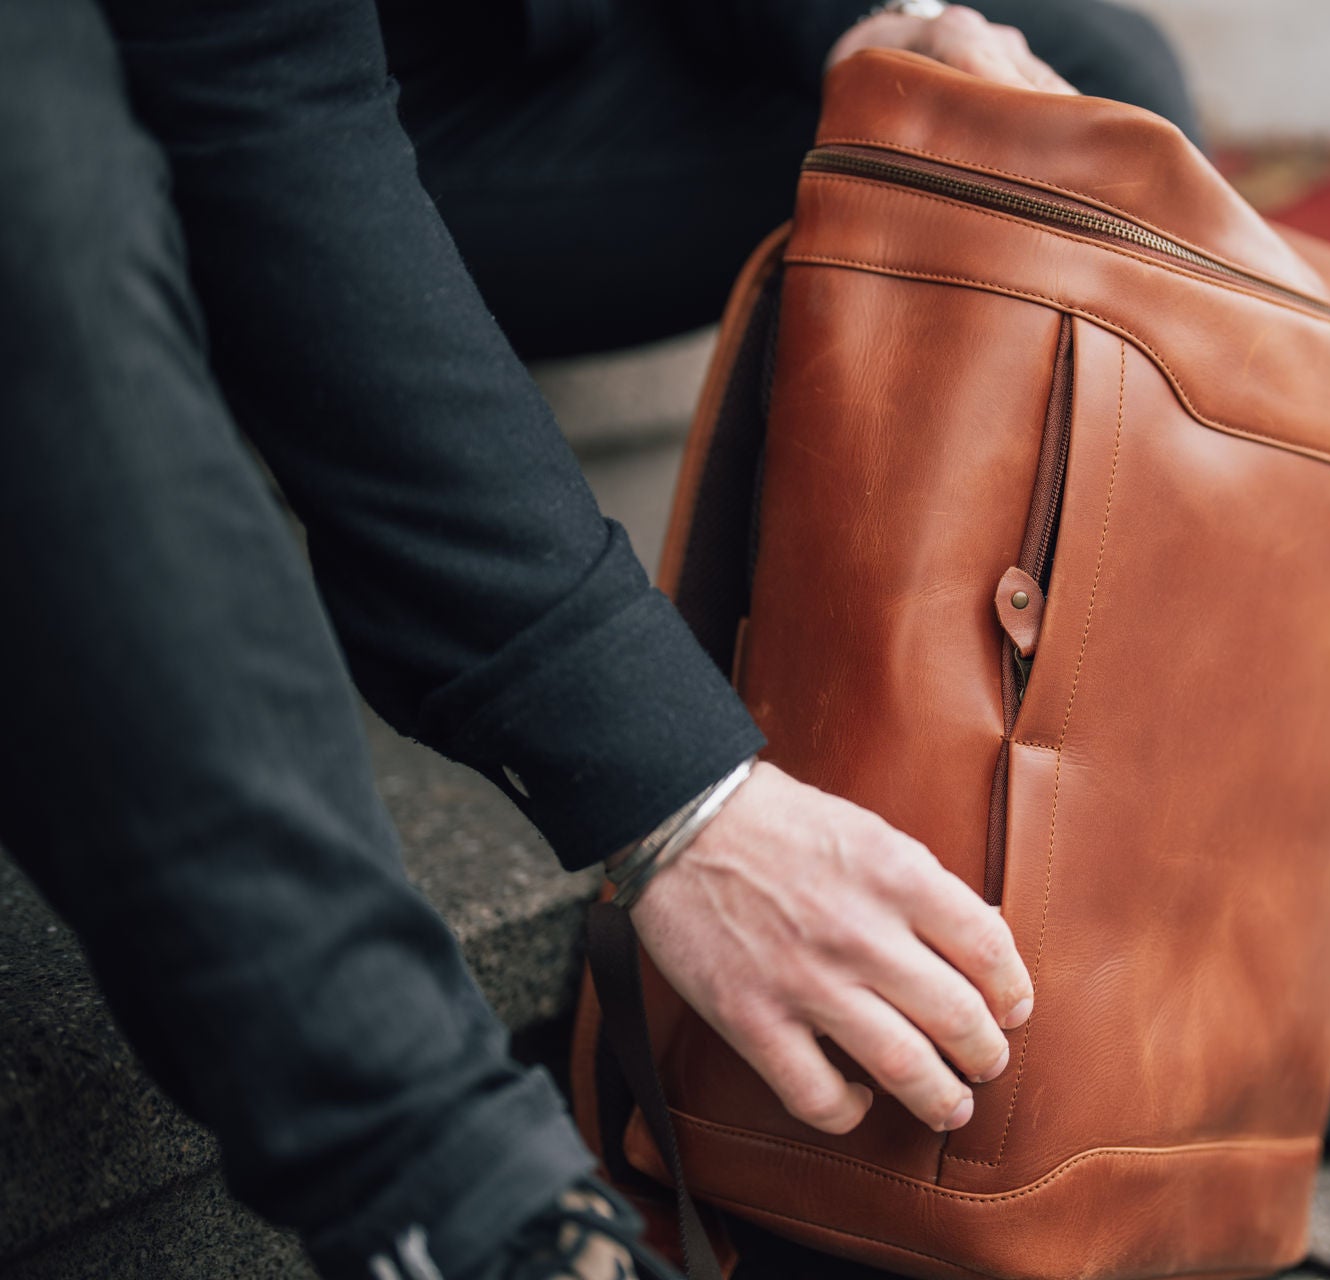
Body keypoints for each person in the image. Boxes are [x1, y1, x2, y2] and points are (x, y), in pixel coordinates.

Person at [0, 3, 1068, 1277]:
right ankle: (474, 1212)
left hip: (438, 74)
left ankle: (1062, 1059)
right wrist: (674, 790)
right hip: (146, 100)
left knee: (1063, 98)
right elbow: (248, 85)